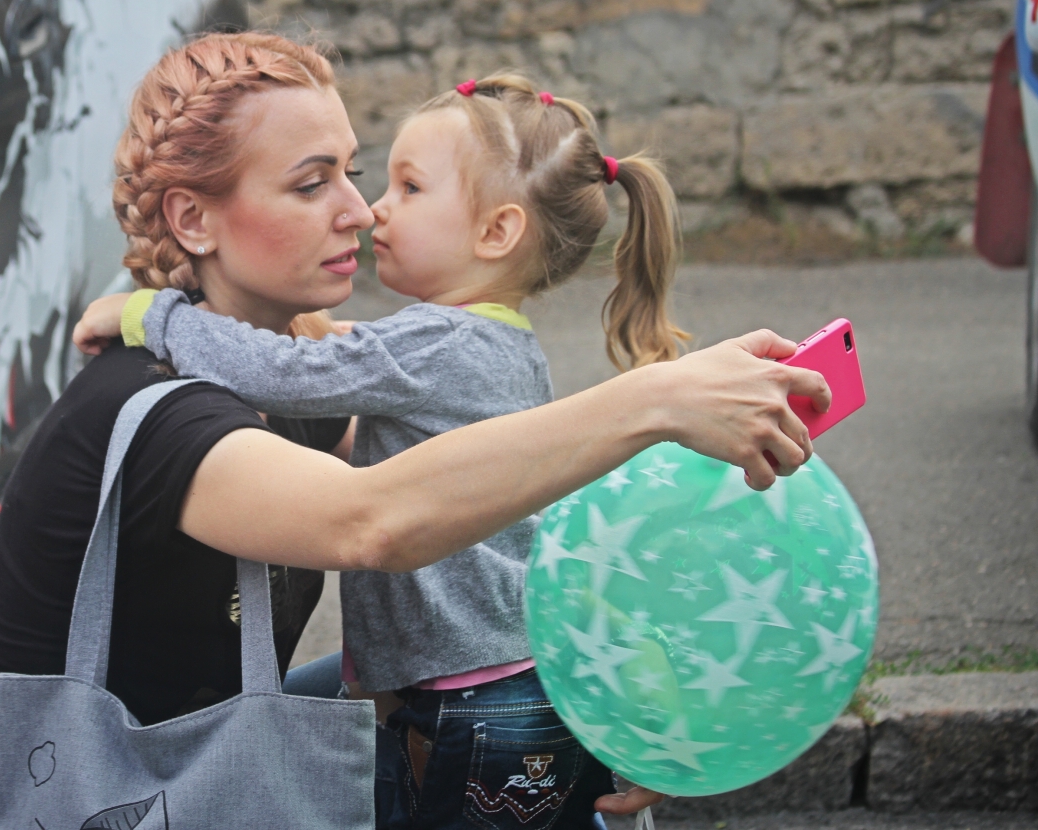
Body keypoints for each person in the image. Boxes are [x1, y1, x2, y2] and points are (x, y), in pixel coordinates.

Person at [0, 33, 830, 830]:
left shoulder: (302, 367)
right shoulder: (160, 410)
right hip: (92, 795)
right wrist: (656, 399)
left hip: (199, 762)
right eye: (311, 183)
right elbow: (374, 521)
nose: (360, 212)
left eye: (353, 174)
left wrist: (600, 694)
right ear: (192, 219)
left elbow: (479, 492)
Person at [70, 73, 686, 829]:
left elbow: (286, 373)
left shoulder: (433, 342)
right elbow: (360, 370)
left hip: (468, 698)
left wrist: (153, 316)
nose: (374, 209)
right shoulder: (499, 344)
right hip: (518, 677)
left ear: (496, 233)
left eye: (410, 187)